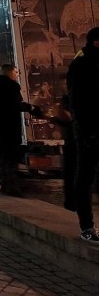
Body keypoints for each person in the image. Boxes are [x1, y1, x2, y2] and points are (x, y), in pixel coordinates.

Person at [0, 64, 42, 197]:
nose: (17, 74)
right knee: (11, 158)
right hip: (9, 127)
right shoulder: (11, 86)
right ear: (9, 73)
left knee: (5, 156)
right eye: (16, 72)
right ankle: (11, 186)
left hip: (0, 127)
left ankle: (5, 184)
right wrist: (32, 109)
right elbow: (15, 104)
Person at [66, 26, 99, 243]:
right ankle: (86, 226)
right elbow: (78, 101)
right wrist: (87, 131)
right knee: (85, 177)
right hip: (90, 131)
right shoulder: (80, 65)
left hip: (90, 129)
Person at [50, 94, 76, 212]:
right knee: (73, 174)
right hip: (74, 146)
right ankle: (72, 202)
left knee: (71, 174)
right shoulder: (67, 114)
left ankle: (71, 202)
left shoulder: (64, 114)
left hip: (71, 145)